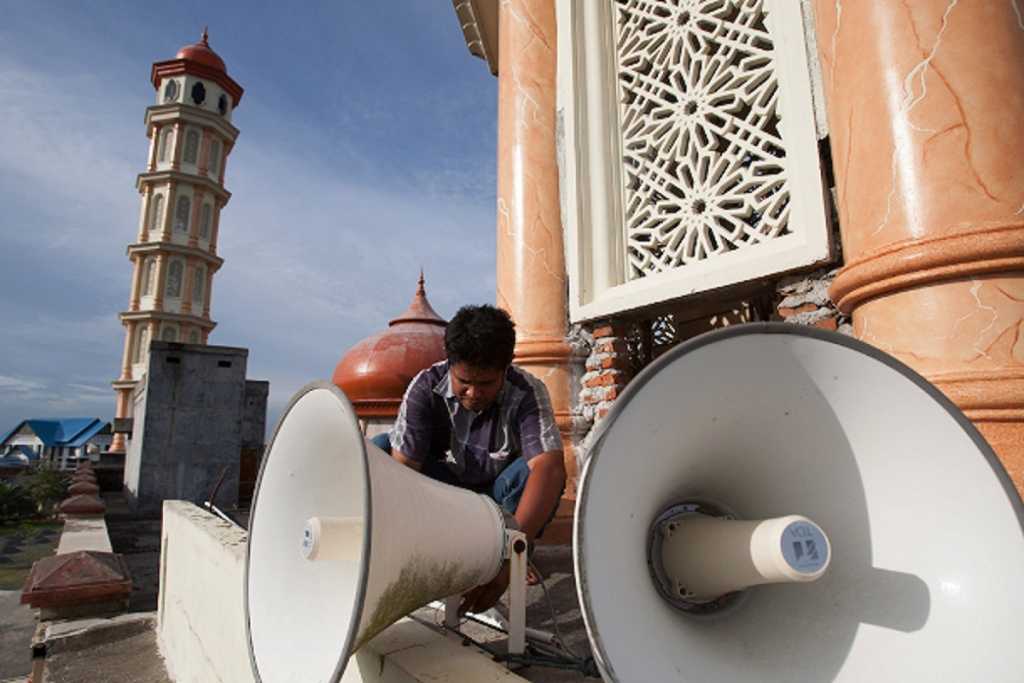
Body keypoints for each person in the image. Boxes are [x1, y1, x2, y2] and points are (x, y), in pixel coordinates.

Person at [371, 304, 565, 614]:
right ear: (450, 364)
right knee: (380, 448)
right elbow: (404, 474)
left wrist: (510, 556)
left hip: (499, 500)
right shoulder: (425, 388)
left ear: (507, 368)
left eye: (486, 383)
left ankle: (514, 550)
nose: (474, 393)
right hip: (442, 496)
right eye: (464, 382)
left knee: (543, 471)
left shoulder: (527, 391)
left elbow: (548, 468)